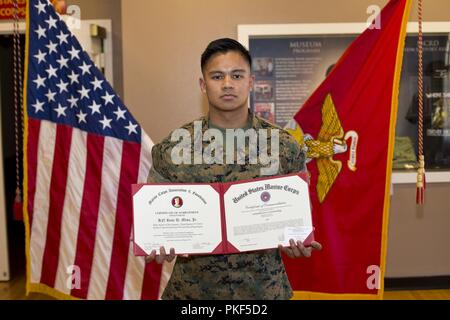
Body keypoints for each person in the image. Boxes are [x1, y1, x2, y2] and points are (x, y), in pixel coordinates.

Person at [145, 38, 322, 299]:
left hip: (263, 293)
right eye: (217, 76)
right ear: (203, 85)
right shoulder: (173, 148)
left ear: (250, 82)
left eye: (236, 75)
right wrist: (157, 243)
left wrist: (298, 241)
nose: (227, 84)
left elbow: (297, 219)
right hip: (192, 294)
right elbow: (154, 220)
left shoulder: (284, 147)